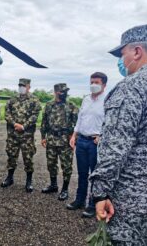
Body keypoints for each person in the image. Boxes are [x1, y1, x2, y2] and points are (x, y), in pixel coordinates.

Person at [90, 24, 147, 245]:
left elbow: (115, 148)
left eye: (122, 53)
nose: (122, 60)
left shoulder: (133, 87)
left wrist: (100, 193)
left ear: (137, 51)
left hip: (131, 203)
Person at [66, 72, 107, 217]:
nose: (93, 85)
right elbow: (80, 119)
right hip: (82, 140)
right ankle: (79, 200)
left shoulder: (108, 100)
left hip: (95, 143)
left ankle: (92, 204)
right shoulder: (86, 99)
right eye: (91, 82)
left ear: (104, 85)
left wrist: (103, 136)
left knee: (95, 175)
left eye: (96, 82)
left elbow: (111, 123)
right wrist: (74, 135)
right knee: (82, 173)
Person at [1, 78, 41, 192]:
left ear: (29, 87)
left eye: (24, 85)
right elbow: (7, 113)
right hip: (13, 134)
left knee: (28, 158)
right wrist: (14, 124)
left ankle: (28, 181)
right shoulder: (12, 99)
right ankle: (10, 178)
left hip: (27, 135)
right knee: (11, 156)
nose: (21, 87)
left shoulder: (34, 100)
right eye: (20, 85)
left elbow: (34, 116)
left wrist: (23, 126)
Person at [40, 83, 78, 200]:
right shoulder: (49, 105)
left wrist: (73, 138)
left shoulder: (71, 106)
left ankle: (65, 189)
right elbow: (44, 121)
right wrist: (43, 136)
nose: (64, 93)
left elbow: (77, 124)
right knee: (51, 163)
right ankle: (53, 185)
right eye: (62, 92)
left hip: (65, 140)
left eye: (65, 91)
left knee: (66, 166)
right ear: (56, 92)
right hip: (51, 139)